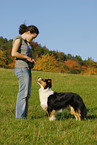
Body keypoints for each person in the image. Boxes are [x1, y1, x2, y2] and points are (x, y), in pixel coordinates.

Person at [12, 24, 39, 119]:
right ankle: (19, 118)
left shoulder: (27, 43)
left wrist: (31, 59)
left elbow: (28, 54)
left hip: (27, 68)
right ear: (28, 33)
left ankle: (24, 116)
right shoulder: (18, 39)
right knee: (23, 93)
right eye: (33, 37)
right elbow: (14, 53)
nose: (34, 39)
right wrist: (26, 57)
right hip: (21, 68)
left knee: (27, 94)